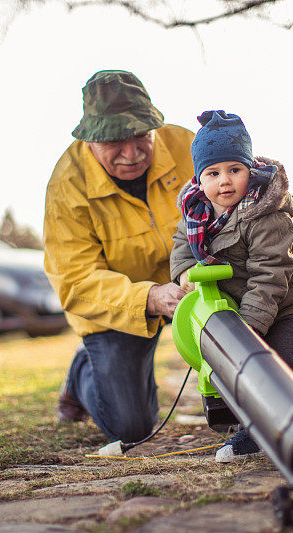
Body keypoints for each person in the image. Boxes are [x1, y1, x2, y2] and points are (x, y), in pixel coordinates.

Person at [43, 70, 195, 444]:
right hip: (117, 306)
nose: (132, 153)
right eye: (115, 141)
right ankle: (83, 373)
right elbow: (76, 280)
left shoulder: (188, 146)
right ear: (91, 139)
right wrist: (150, 298)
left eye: (142, 135)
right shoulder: (67, 186)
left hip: (189, 286)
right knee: (131, 428)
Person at [170, 110, 293, 462]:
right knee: (240, 369)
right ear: (200, 177)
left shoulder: (265, 212)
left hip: (290, 304)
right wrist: (183, 272)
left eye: (234, 170)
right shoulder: (196, 209)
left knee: (278, 367)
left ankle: (270, 433)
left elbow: (271, 272)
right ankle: (278, 425)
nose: (224, 181)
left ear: (250, 170)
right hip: (243, 306)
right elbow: (181, 242)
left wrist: (251, 326)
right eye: (213, 173)